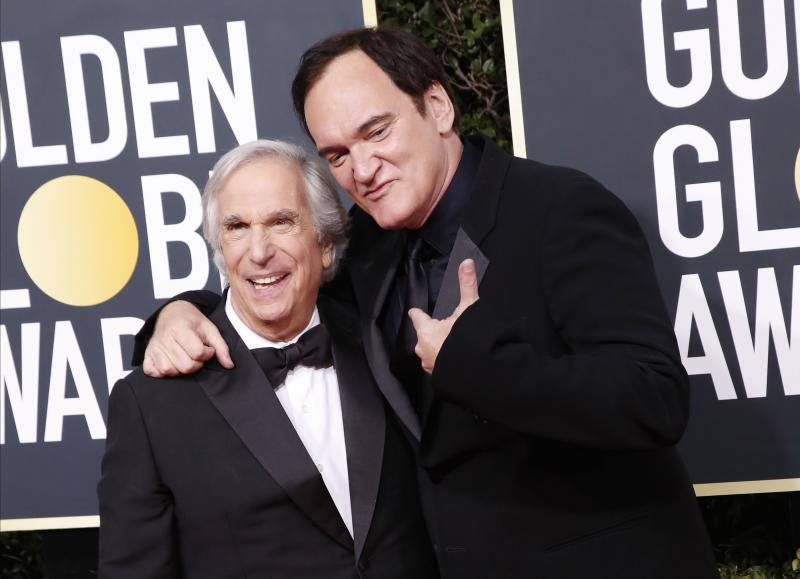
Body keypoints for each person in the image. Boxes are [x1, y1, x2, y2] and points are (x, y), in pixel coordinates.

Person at [134, 28, 718, 578]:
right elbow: (276, 278)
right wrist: (178, 313)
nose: (361, 169)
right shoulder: (368, 247)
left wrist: (475, 364)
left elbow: (653, 398)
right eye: (336, 154)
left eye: (377, 131)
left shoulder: (560, 210)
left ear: (437, 106)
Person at [98, 140, 438, 579]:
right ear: (220, 248)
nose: (258, 252)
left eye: (281, 222)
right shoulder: (152, 401)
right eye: (237, 227)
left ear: (326, 245)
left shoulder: (385, 339)